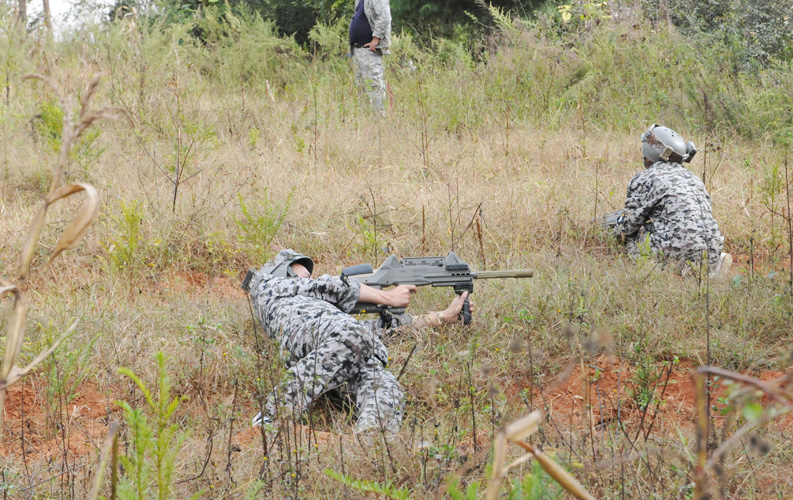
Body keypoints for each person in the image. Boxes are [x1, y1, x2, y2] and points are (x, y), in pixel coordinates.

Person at [245, 249, 471, 435]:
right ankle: (272, 414)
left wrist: (442, 316)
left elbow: (378, 330)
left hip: (335, 358)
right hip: (328, 344)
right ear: (282, 274)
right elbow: (330, 286)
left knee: (385, 386)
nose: (311, 280)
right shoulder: (268, 286)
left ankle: (374, 445)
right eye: (304, 277)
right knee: (355, 335)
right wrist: (388, 297)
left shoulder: (329, 316)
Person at [609, 124, 731, 277]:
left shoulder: (645, 177)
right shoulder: (694, 179)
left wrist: (611, 228)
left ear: (650, 152)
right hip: (711, 251)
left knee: (631, 236)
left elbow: (626, 227)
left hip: (676, 253)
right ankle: (714, 264)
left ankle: (659, 267)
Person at [348, 0, 391, 112]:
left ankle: (380, 118)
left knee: (374, 85)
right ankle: (366, 119)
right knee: (361, 86)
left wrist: (376, 38)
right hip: (358, 49)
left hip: (369, 50)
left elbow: (385, 17)